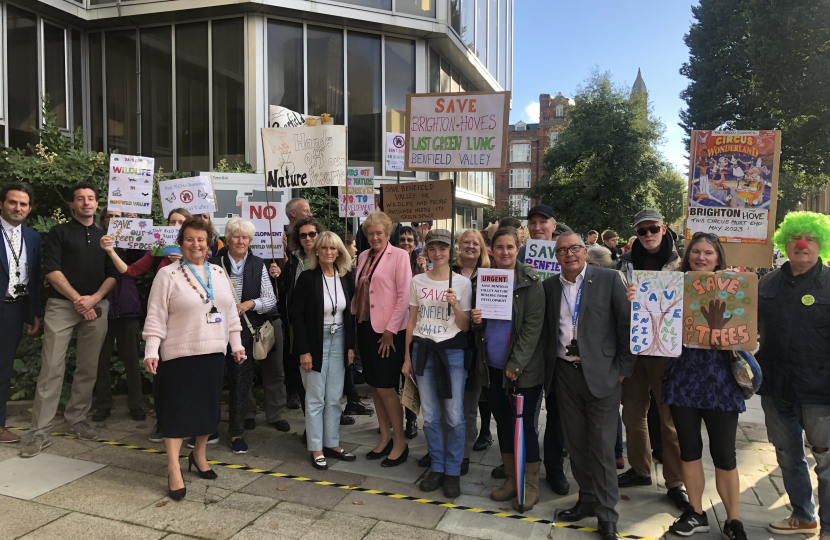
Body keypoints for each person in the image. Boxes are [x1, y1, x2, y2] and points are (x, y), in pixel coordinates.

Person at [630, 233, 747, 539]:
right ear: (687, 256)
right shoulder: (672, 286)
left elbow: (746, 330)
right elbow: (652, 321)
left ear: (718, 258)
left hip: (720, 381)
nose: (701, 257)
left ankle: (733, 520)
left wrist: (738, 289)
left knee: (724, 454)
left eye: (708, 252)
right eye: (696, 251)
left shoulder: (733, 287)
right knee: (689, 450)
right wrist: (638, 299)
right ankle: (696, 512)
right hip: (682, 378)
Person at [141, 217, 245, 501]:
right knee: (176, 413)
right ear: (181, 242)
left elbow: (231, 315)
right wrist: (152, 350)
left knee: (207, 410)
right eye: (189, 239)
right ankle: (173, 466)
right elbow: (156, 316)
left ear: (210, 243)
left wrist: (235, 345)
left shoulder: (218, 273)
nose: (196, 244)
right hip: (179, 355)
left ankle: (199, 456)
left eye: (201, 239)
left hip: (213, 353)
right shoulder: (169, 275)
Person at [544, 231, 634, 540]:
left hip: (603, 375)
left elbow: (626, 325)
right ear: (556, 257)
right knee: (577, 444)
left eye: (575, 248)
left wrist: (621, 371)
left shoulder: (608, 279)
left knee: (603, 448)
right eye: (562, 250)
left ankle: (607, 516)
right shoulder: (550, 286)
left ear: (585, 251)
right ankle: (587, 498)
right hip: (565, 374)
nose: (569, 254)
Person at [21, 183, 119, 458]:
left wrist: (94, 299)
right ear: (72, 205)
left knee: (88, 367)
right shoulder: (59, 232)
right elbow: (51, 270)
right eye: (80, 199)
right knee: (51, 367)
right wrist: (79, 299)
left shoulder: (105, 237)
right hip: (62, 306)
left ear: (97, 203)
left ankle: (76, 419)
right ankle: (39, 431)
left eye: (91, 198)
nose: (86, 203)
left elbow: (113, 274)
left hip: (96, 306)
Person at [757, 211, 830, 540]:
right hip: (775, 387)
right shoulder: (767, 282)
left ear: (821, 245)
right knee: (788, 455)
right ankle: (803, 516)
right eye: (796, 239)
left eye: (810, 239)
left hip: (820, 392)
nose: (802, 244)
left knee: (826, 462)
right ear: (785, 243)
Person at [101, 207, 195, 443]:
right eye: (172, 221)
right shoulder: (159, 249)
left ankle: (192, 424)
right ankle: (162, 424)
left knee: (190, 374)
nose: (175, 226)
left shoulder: (197, 249)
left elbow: (210, 278)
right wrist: (112, 252)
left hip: (191, 323)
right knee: (163, 375)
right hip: (165, 321)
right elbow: (130, 272)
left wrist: (185, 260)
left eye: (180, 222)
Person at [616, 209, 688, 509]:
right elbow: (614, 300)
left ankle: (676, 482)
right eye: (642, 231)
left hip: (666, 351)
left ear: (664, 228)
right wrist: (625, 297)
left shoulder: (682, 262)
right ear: (636, 233)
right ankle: (641, 469)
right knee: (632, 414)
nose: (648, 235)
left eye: (653, 229)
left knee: (668, 420)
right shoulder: (623, 263)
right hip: (634, 348)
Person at [472, 227, 545, 511]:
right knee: (502, 423)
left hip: (521, 371)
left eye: (510, 247)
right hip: (491, 364)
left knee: (524, 427)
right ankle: (511, 479)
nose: (504, 252)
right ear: (491, 248)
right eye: (499, 247)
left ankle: (530, 484)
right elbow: (481, 325)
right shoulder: (486, 278)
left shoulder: (531, 281)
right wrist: (476, 319)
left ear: (518, 248)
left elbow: (532, 328)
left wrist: (515, 364)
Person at [405, 229, 472, 498]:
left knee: (455, 416)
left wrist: (455, 305)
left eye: (442, 248)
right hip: (423, 350)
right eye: (432, 248)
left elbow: (466, 327)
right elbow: (411, 321)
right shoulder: (418, 281)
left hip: (452, 352)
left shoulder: (462, 283)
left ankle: (453, 471)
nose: (438, 253)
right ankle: (438, 466)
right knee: (430, 415)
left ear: (450, 251)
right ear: (426, 251)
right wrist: (406, 357)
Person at [209, 217, 278, 454]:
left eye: (245, 237)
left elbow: (270, 299)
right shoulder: (213, 262)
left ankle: (237, 432)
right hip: (215, 330)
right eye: (236, 236)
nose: (240, 241)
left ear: (250, 240)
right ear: (226, 239)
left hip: (247, 332)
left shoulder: (258, 264)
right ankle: (209, 428)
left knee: (241, 382)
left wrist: (249, 303)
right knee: (214, 381)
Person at [290, 231, 357, 470]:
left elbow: (350, 315)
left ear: (339, 251)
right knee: (316, 397)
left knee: (335, 397)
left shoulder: (346, 277)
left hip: (339, 340)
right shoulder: (307, 278)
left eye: (333, 248)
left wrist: (350, 346)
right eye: (324, 248)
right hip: (314, 342)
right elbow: (296, 317)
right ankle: (316, 447)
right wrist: (303, 351)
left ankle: (332, 443)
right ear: (316, 251)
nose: (329, 252)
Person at [354, 211, 412, 466]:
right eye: (370, 233)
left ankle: (400, 442)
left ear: (389, 235)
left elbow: (404, 296)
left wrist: (390, 330)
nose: (375, 237)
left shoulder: (399, 256)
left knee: (387, 387)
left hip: (389, 332)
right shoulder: (363, 256)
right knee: (375, 386)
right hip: (366, 327)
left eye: (380, 233)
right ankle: (384, 437)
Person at [92, 209, 146, 423]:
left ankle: (137, 405)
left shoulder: (129, 240)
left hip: (127, 308)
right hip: (100, 306)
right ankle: (103, 405)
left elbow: (141, 262)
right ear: (103, 221)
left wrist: (135, 228)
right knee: (100, 360)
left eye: (118, 217)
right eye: (109, 217)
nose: (114, 220)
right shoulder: (95, 240)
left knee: (132, 360)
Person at [0, 181, 41, 444]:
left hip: (14, 311)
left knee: (3, 370)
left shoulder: (34, 237)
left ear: (29, 208)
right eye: (12, 202)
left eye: (23, 204)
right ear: (1, 204)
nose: (18, 207)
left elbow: (34, 278)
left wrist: (33, 313)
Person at [454, 229, 493, 458]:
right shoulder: (449, 272)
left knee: (470, 402)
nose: (470, 246)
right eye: (466, 242)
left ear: (481, 248)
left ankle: (464, 452)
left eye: (475, 243)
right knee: (447, 402)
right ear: (459, 245)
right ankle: (444, 446)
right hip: (450, 343)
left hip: (478, 347)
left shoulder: (490, 274)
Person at [280, 217, 324, 411]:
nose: (308, 238)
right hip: (298, 323)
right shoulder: (294, 260)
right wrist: (279, 271)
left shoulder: (327, 256)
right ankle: (311, 420)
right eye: (303, 235)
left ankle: (328, 420)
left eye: (312, 234)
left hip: (324, 324)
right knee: (304, 372)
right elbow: (285, 291)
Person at [336, 231, 374, 419]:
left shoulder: (351, 267)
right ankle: (349, 399)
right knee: (346, 363)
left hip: (349, 323)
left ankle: (352, 398)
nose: (357, 249)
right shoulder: (343, 271)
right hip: (342, 323)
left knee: (349, 362)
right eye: (353, 245)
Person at [396, 225, 426, 439]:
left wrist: (424, 270)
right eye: (402, 239)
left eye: (409, 240)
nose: (406, 243)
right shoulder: (391, 262)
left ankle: (411, 419)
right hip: (395, 327)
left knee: (410, 376)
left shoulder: (421, 264)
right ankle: (392, 417)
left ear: (415, 244)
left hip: (415, 329)